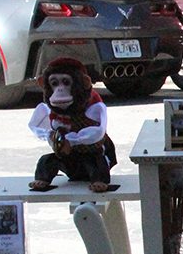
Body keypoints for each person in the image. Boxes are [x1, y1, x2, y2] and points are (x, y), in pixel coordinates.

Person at [27, 57, 116, 193]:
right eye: (54, 84)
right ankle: (43, 179)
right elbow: (37, 126)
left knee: (97, 161)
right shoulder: (50, 111)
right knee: (46, 160)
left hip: (91, 153)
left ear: (84, 83)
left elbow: (98, 132)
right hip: (68, 157)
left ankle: (99, 180)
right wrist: (52, 138)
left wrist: (73, 141)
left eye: (66, 83)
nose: (59, 90)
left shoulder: (94, 106)